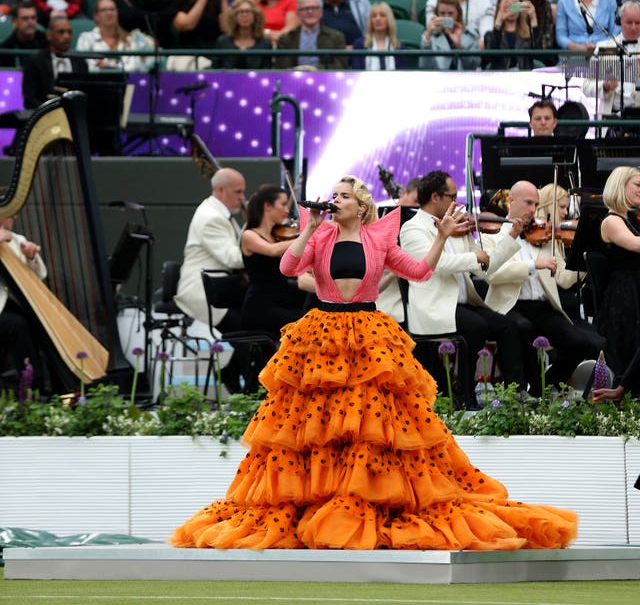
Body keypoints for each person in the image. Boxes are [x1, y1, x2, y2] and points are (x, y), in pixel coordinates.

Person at [171, 173, 579, 551]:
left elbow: (419, 272)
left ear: (361, 205)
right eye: (334, 195)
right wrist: (310, 227)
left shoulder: (378, 240)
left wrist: (440, 238)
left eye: (343, 196)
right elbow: (288, 266)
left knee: (373, 427)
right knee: (316, 426)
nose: (335, 201)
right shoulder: (321, 235)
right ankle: (318, 499)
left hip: (368, 333)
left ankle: (367, 498)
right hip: (324, 331)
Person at [400, 169, 528, 402]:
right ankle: (465, 393)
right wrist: (474, 257)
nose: (457, 203)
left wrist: (511, 236)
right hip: (435, 306)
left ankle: (515, 393)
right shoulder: (413, 228)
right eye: (452, 197)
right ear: (435, 198)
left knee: (507, 325)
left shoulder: (458, 227)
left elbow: (482, 267)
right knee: (476, 327)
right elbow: (433, 265)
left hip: (460, 303)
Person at [484, 179, 605, 395]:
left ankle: (543, 388)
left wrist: (586, 259)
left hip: (541, 307)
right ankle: (517, 392)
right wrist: (533, 264)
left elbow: (563, 279)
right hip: (511, 306)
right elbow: (493, 274)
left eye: (536, 204)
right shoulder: (492, 234)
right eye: (528, 203)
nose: (533, 210)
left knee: (578, 342)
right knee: (522, 328)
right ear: (511, 201)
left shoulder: (543, 237)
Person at [173, 167, 248, 392]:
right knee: (248, 328)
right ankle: (242, 384)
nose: (242, 197)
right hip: (203, 292)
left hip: (220, 289)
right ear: (220, 190)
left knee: (251, 323)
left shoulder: (220, 215)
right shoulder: (211, 218)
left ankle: (234, 375)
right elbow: (233, 258)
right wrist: (272, 248)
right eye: (238, 192)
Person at [240, 184, 305, 336]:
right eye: (282, 204)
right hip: (260, 309)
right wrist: (305, 236)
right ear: (267, 206)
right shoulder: (249, 235)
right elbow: (271, 250)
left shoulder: (278, 235)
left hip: (280, 301)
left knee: (316, 310)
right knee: (307, 324)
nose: (287, 210)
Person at [596, 166, 640, 382]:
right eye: (638, 185)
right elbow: (634, 245)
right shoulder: (611, 221)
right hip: (624, 294)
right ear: (620, 186)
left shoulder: (631, 220)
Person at [0, 212, 47, 388]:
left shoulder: (17, 239)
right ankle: (33, 385)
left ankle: (52, 384)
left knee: (38, 320)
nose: (16, 217)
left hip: (11, 306)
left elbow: (41, 275)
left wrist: (31, 257)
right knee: (17, 324)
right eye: (11, 213)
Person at [582, 0, 640, 118]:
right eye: (629, 22)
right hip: (611, 118)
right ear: (620, 22)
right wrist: (605, 86)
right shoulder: (603, 48)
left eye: (638, 23)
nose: (634, 27)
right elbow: (587, 87)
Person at [21, 13, 88, 109]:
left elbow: (84, 94)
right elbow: (29, 99)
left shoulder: (80, 63)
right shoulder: (34, 62)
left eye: (69, 32)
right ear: (49, 35)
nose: (66, 36)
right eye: (61, 32)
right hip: (45, 116)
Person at [168, 0, 227, 69]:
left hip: (212, 56)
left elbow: (227, 28)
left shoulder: (214, 0)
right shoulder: (176, 3)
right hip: (187, 58)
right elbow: (187, 24)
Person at [75, 0, 153, 72]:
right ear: (96, 16)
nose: (109, 13)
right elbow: (84, 67)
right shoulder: (86, 38)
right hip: (95, 83)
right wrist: (117, 68)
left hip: (126, 83)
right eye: (104, 10)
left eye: (112, 9)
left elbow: (135, 67)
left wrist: (107, 67)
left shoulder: (130, 39)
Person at [274, 0, 348, 69]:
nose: (310, 12)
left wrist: (315, 70)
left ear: (321, 12)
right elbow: (281, 68)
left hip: (326, 79)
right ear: (298, 13)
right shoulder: (286, 39)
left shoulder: (336, 37)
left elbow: (341, 66)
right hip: (294, 79)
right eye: (305, 9)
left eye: (314, 8)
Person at [482, 0, 543, 70]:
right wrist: (499, 20)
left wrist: (533, 19)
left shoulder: (529, 35)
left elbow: (539, 55)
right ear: (500, 6)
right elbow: (489, 58)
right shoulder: (490, 35)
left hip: (524, 78)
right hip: (500, 79)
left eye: (515, 4)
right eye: (507, 4)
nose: (511, 8)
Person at [420, 0, 481, 70]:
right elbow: (424, 67)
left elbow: (473, 66)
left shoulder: (470, 34)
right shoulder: (429, 36)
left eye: (450, 13)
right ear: (437, 14)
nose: (446, 17)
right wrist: (427, 37)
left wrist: (459, 46)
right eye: (442, 13)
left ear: (458, 13)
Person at [214, 0, 272, 70]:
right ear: (234, 16)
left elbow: (267, 73)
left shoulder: (265, 44)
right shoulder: (222, 42)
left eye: (248, 11)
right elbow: (215, 71)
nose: (245, 15)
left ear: (255, 16)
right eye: (241, 12)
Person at [351, 1, 411, 70]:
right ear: (371, 20)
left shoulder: (399, 46)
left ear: (389, 19)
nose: (378, 19)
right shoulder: (360, 44)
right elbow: (357, 72)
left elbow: (403, 74)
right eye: (374, 16)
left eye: (382, 15)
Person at [0, 0, 45, 68]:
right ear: (14, 21)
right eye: (25, 18)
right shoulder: (5, 49)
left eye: (33, 18)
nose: (30, 22)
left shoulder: (48, 43)